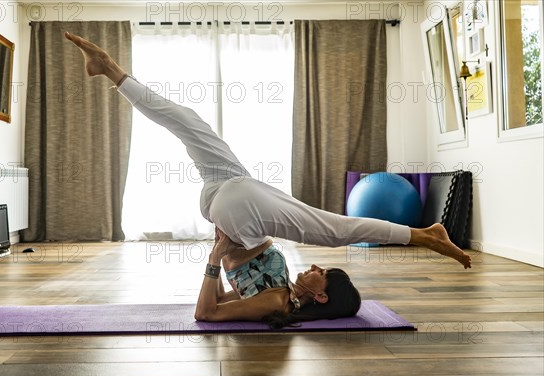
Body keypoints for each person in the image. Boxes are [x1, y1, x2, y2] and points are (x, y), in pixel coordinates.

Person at [65, 32, 472, 328]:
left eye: (321, 273)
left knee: (335, 229)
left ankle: (426, 237)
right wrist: (236, 254)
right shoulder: (283, 293)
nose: (314, 266)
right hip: (232, 198)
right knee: (190, 124)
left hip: (236, 209)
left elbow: (206, 312)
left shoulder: (277, 303)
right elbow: (225, 297)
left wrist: (213, 259)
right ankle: (112, 70)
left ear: (321, 295)